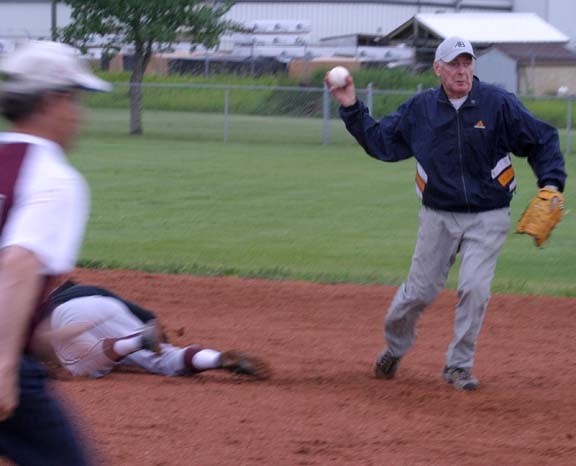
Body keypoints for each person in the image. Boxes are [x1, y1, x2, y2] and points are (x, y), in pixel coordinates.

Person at [327, 36, 567, 390]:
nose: (461, 70)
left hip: (489, 214)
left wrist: (551, 183)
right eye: (453, 64)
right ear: (438, 69)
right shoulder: (421, 110)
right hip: (438, 214)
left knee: (474, 289)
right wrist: (350, 105)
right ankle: (395, 349)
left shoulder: (497, 104)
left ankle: (458, 366)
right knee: (418, 293)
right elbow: (381, 142)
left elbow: (541, 139)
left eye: (467, 63)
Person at [0, 40, 111, 464]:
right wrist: (6, 365)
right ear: (53, 100)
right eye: (76, 99)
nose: (80, 114)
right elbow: (18, 263)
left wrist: (40, 336)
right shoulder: (52, 175)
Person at [35, 280, 271, 381]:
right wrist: (151, 325)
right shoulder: (87, 289)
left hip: (63, 320)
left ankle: (133, 343)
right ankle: (215, 358)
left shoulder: (39, 308)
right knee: (165, 357)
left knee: (80, 367)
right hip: (107, 307)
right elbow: (148, 315)